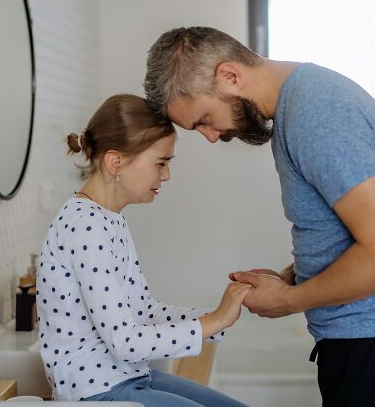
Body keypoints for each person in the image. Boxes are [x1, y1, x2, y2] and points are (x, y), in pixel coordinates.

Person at [143, 27, 375, 406]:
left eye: (203, 120)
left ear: (230, 75)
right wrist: (290, 277)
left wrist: (290, 300)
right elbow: (352, 234)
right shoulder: (302, 104)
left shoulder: (314, 115)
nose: (211, 137)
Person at [36, 94, 250, 406]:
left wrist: (217, 317)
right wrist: (212, 322)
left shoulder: (108, 220)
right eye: (161, 163)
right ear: (115, 162)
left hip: (127, 377)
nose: (166, 176)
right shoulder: (85, 226)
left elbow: (141, 312)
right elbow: (125, 342)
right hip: (97, 392)